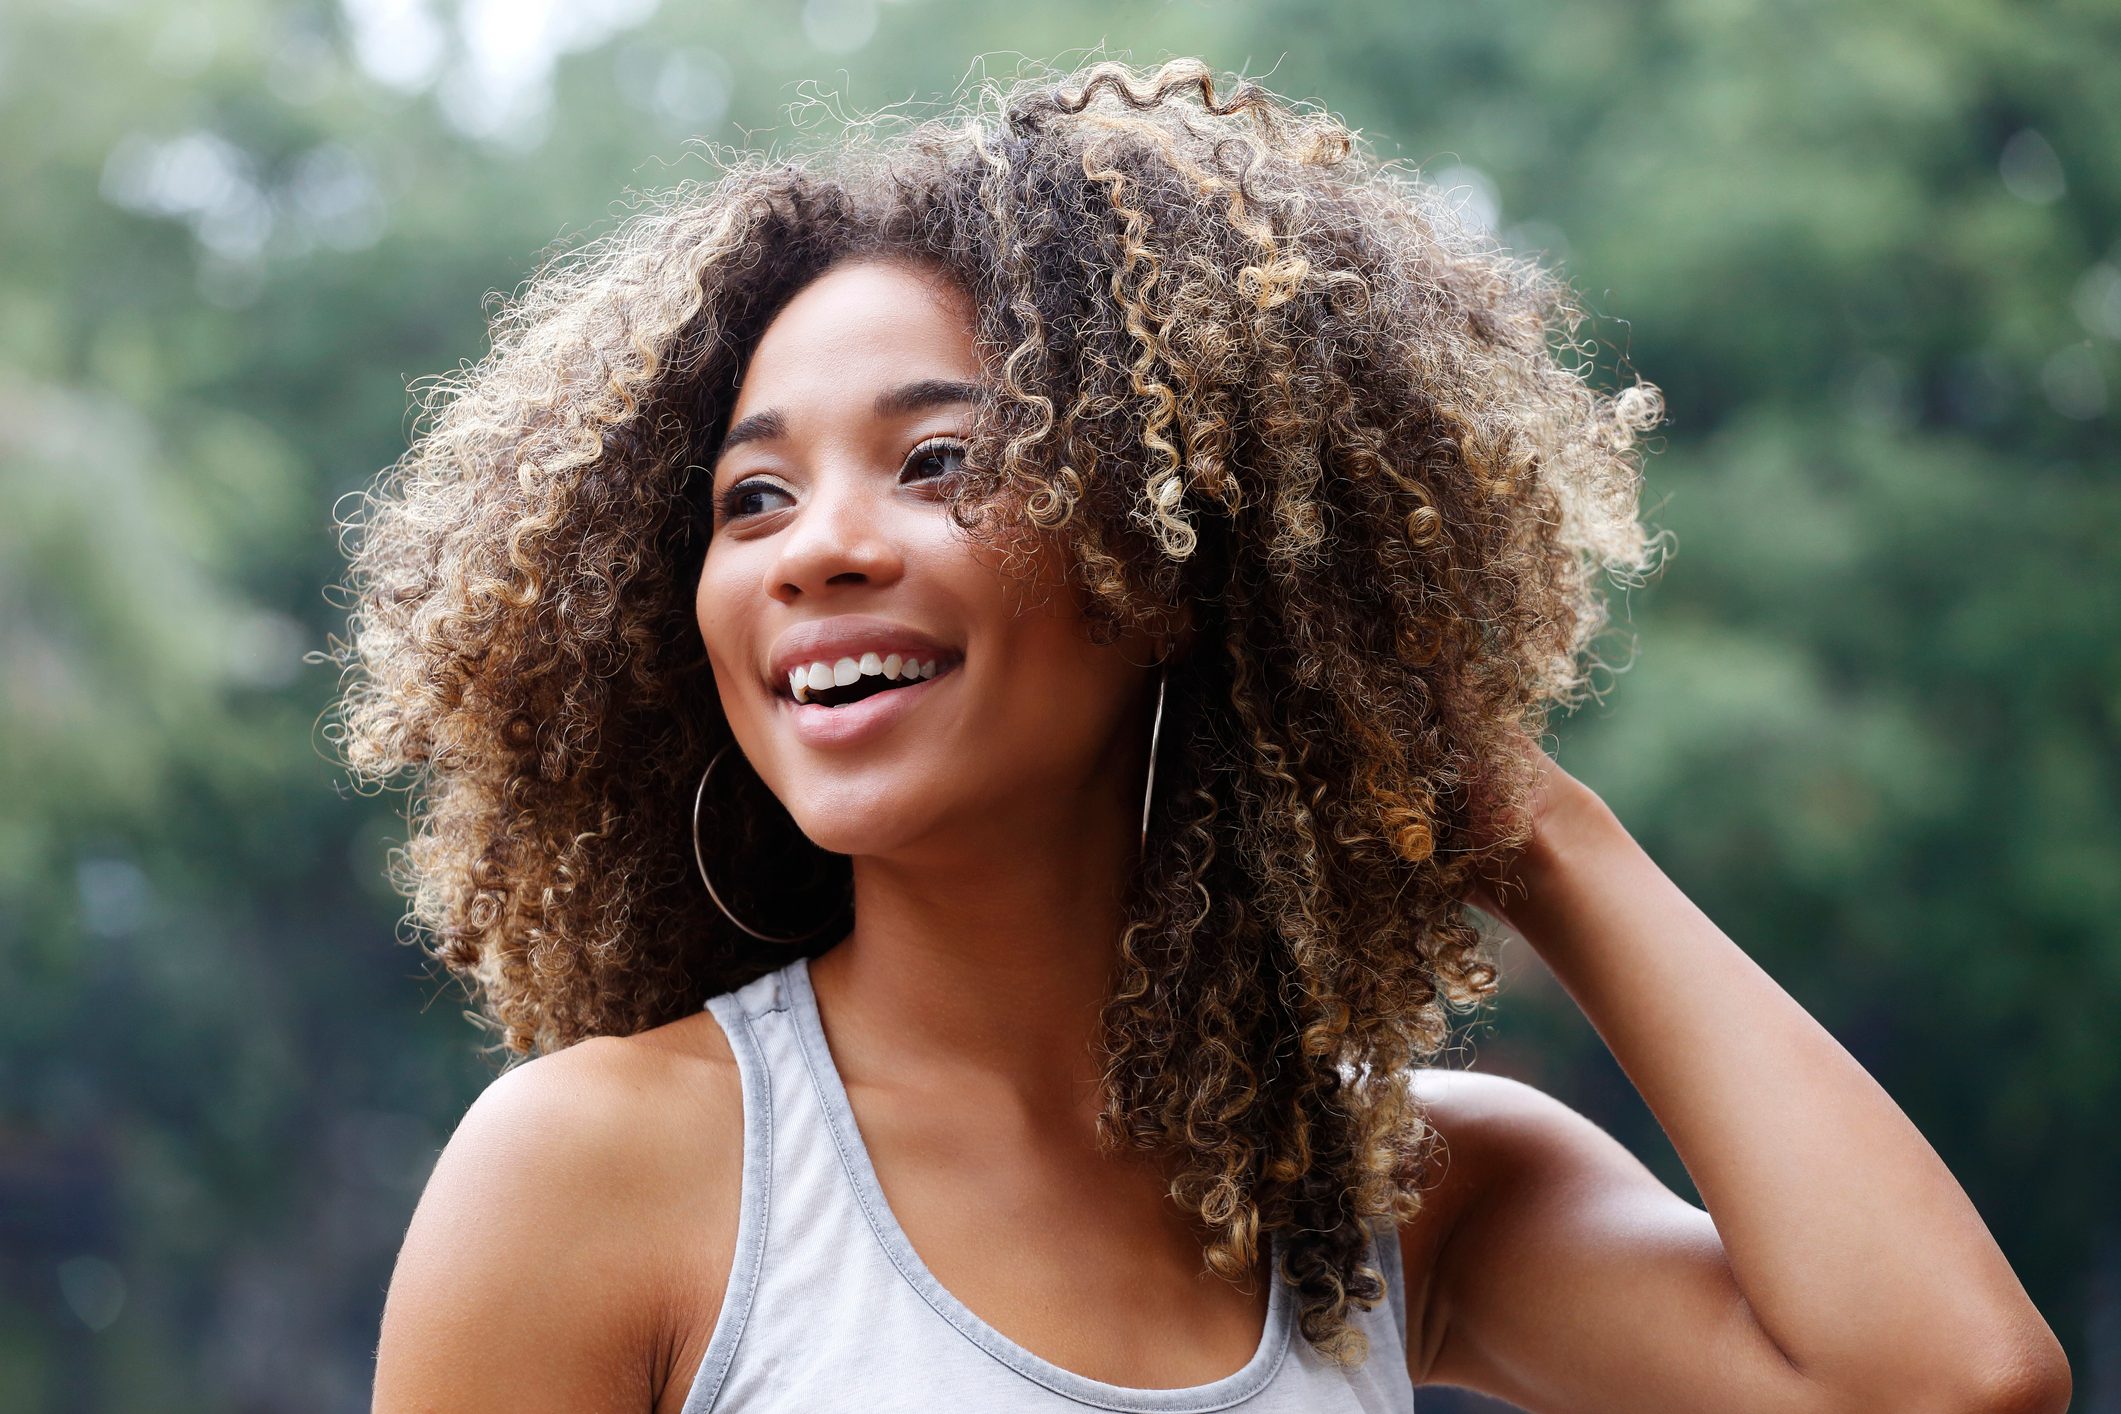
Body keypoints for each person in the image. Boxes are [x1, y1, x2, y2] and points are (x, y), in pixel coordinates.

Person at [342, 59, 2069, 1413]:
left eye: (942, 462)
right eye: (752, 497)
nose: (819, 548)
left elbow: (1944, 1379)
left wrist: (1536, 830)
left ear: (1170, 555)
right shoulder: (597, 1171)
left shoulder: (1386, 1192)